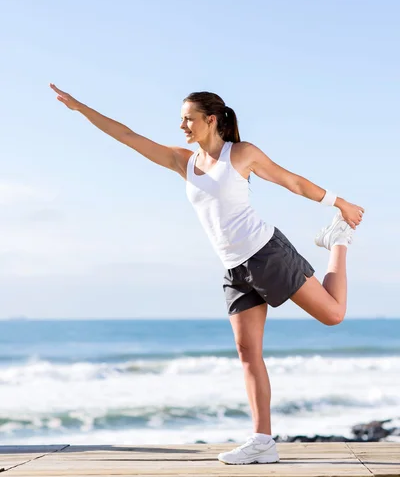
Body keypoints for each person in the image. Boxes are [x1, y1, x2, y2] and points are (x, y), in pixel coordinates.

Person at [49, 84, 364, 465]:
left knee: (333, 315)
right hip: (234, 268)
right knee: (248, 353)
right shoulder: (183, 162)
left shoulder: (241, 154)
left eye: (188, 118)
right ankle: (262, 440)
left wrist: (339, 203)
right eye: (182, 118)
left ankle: (338, 241)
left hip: (266, 254)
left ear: (210, 120)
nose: (182, 125)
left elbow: (291, 181)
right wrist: (81, 107)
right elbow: (128, 136)